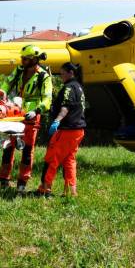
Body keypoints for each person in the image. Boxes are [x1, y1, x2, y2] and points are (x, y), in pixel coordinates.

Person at [0, 44, 53, 193]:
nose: (22, 60)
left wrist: (37, 110)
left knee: (27, 151)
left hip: (31, 117)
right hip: (15, 113)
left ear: (34, 59)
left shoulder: (43, 76)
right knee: (9, 146)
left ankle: (22, 182)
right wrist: (2, 94)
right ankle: (3, 179)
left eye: (25, 58)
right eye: (22, 58)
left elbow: (47, 99)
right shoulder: (19, 70)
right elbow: (7, 83)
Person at [38, 62, 86, 197]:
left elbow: (65, 107)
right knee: (69, 160)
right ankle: (71, 191)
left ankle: (45, 188)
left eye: (63, 74)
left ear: (71, 73)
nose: (61, 77)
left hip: (67, 130)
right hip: (79, 130)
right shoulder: (79, 87)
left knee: (53, 158)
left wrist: (56, 121)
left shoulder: (69, 88)